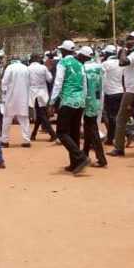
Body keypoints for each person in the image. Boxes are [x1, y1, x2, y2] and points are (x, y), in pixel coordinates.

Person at [49, 41, 91, 174]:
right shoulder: (79, 64)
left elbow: (58, 83)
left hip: (68, 100)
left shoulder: (63, 63)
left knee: (61, 132)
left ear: (63, 51)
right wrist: (83, 99)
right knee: (74, 133)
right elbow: (85, 84)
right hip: (80, 101)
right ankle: (75, 163)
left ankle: (81, 157)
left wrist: (52, 102)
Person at [107, 32, 134, 157]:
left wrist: (124, 47)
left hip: (132, 91)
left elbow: (122, 62)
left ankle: (119, 148)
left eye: (131, 39)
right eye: (127, 39)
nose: (128, 40)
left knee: (121, 119)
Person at [80, 46, 106, 168]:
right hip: (97, 99)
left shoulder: (83, 67)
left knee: (92, 129)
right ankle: (84, 154)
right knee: (88, 128)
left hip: (87, 100)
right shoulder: (99, 66)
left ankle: (101, 158)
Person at [0, 56, 31, 147]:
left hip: (11, 97)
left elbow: (4, 82)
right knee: (24, 120)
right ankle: (27, 140)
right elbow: (30, 82)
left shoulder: (10, 68)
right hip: (24, 97)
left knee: (7, 119)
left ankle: (5, 140)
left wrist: (3, 94)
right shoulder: (26, 68)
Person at [28, 53, 56, 142]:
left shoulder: (28, 69)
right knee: (41, 114)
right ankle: (34, 134)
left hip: (33, 93)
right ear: (37, 59)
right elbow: (50, 79)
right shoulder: (43, 68)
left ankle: (52, 134)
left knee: (41, 114)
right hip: (43, 93)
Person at [100, 45, 122, 146]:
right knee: (117, 115)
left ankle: (127, 132)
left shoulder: (105, 64)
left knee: (112, 116)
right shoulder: (121, 62)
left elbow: (100, 77)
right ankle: (110, 138)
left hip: (110, 93)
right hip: (121, 91)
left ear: (107, 54)